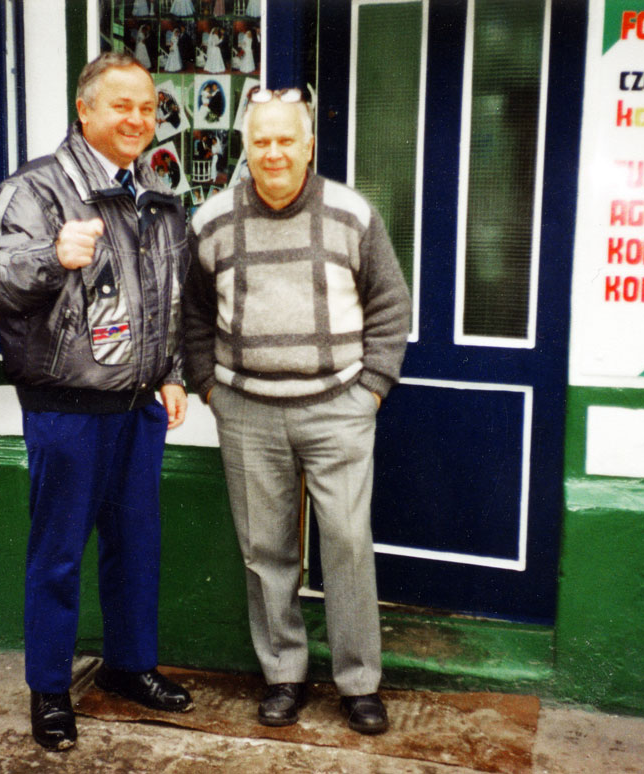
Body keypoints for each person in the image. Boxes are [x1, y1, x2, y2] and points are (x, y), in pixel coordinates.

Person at [0, 52, 194, 752]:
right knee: (58, 555)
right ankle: (49, 691)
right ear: (84, 110)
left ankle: (130, 667)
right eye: (121, 105)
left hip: (139, 408)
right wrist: (50, 257)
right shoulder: (37, 189)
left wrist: (174, 371)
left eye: (148, 106)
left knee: (136, 548)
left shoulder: (153, 191)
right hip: (65, 408)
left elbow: (167, 298)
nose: (137, 118)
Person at [183, 87, 411, 735]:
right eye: (262, 141)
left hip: (337, 408)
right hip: (247, 411)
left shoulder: (351, 214)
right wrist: (209, 387)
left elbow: (391, 306)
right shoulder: (211, 221)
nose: (274, 152)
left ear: (310, 145)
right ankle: (284, 673)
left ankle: (359, 682)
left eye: (288, 140)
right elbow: (193, 315)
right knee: (265, 551)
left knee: (345, 541)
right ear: (246, 148)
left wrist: (368, 390)